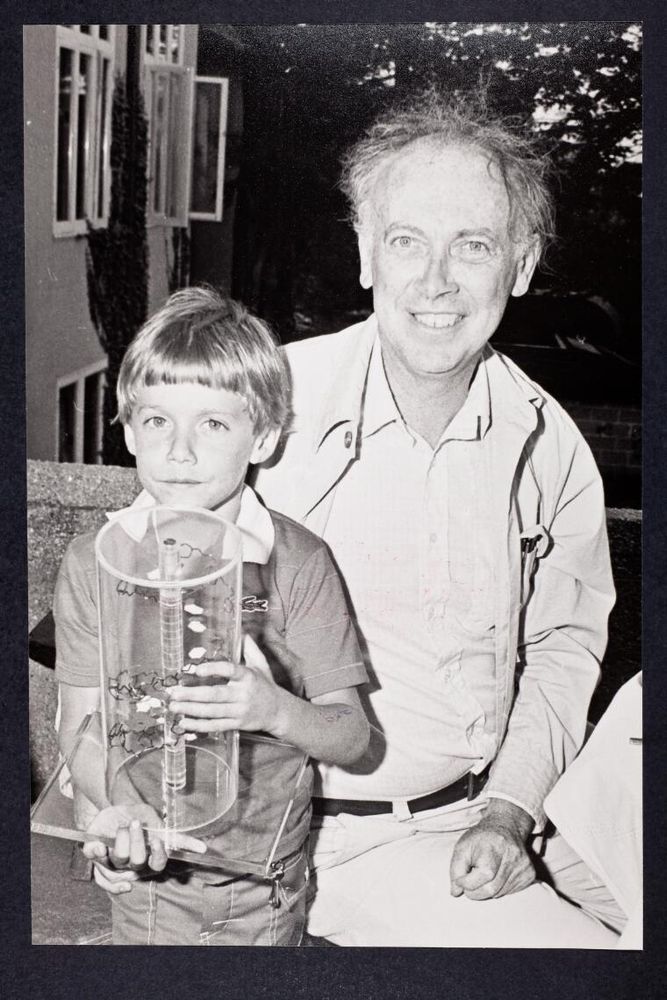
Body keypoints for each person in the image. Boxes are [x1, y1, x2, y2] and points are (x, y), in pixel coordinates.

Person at [249, 91, 625, 947]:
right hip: (329, 840)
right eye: (407, 241)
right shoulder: (265, 404)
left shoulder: (546, 439)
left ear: (521, 265)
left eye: (474, 246)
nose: (436, 282)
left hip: (497, 811)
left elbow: (562, 647)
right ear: (364, 252)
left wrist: (510, 807)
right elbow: (144, 596)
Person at [53, 288, 370, 946]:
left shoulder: (299, 561)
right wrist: (109, 814)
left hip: (265, 885)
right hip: (148, 880)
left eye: (214, 425)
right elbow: (81, 726)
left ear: (264, 438)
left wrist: (273, 710)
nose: (179, 451)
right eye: (157, 420)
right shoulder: (92, 561)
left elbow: (352, 737)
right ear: (128, 429)